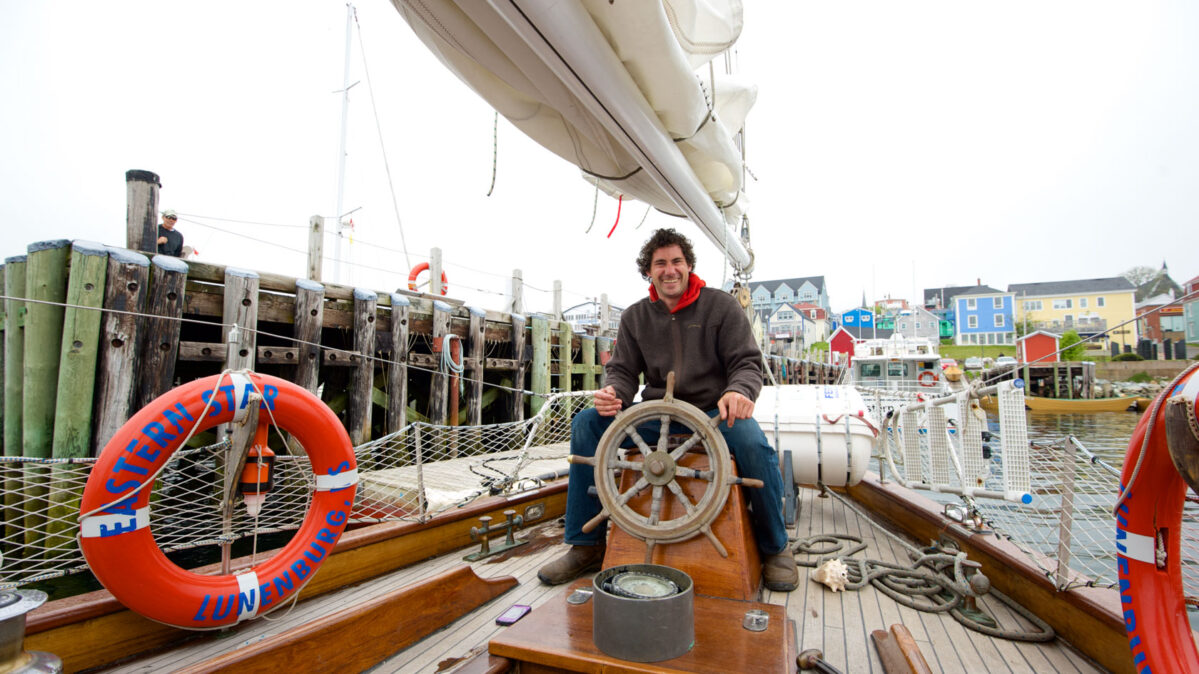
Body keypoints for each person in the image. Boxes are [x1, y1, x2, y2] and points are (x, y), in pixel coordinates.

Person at [537, 228, 798, 591]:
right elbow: (624, 371)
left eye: (676, 261)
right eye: (660, 263)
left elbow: (746, 363)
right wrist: (615, 393)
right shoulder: (635, 317)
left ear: (689, 266)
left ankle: (775, 548)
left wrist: (738, 392)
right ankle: (586, 546)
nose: (669, 270)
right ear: (649, 271)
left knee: (754, 446)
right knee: (587, 424)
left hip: (715, 413)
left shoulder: (721, 306)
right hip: (657, 414)